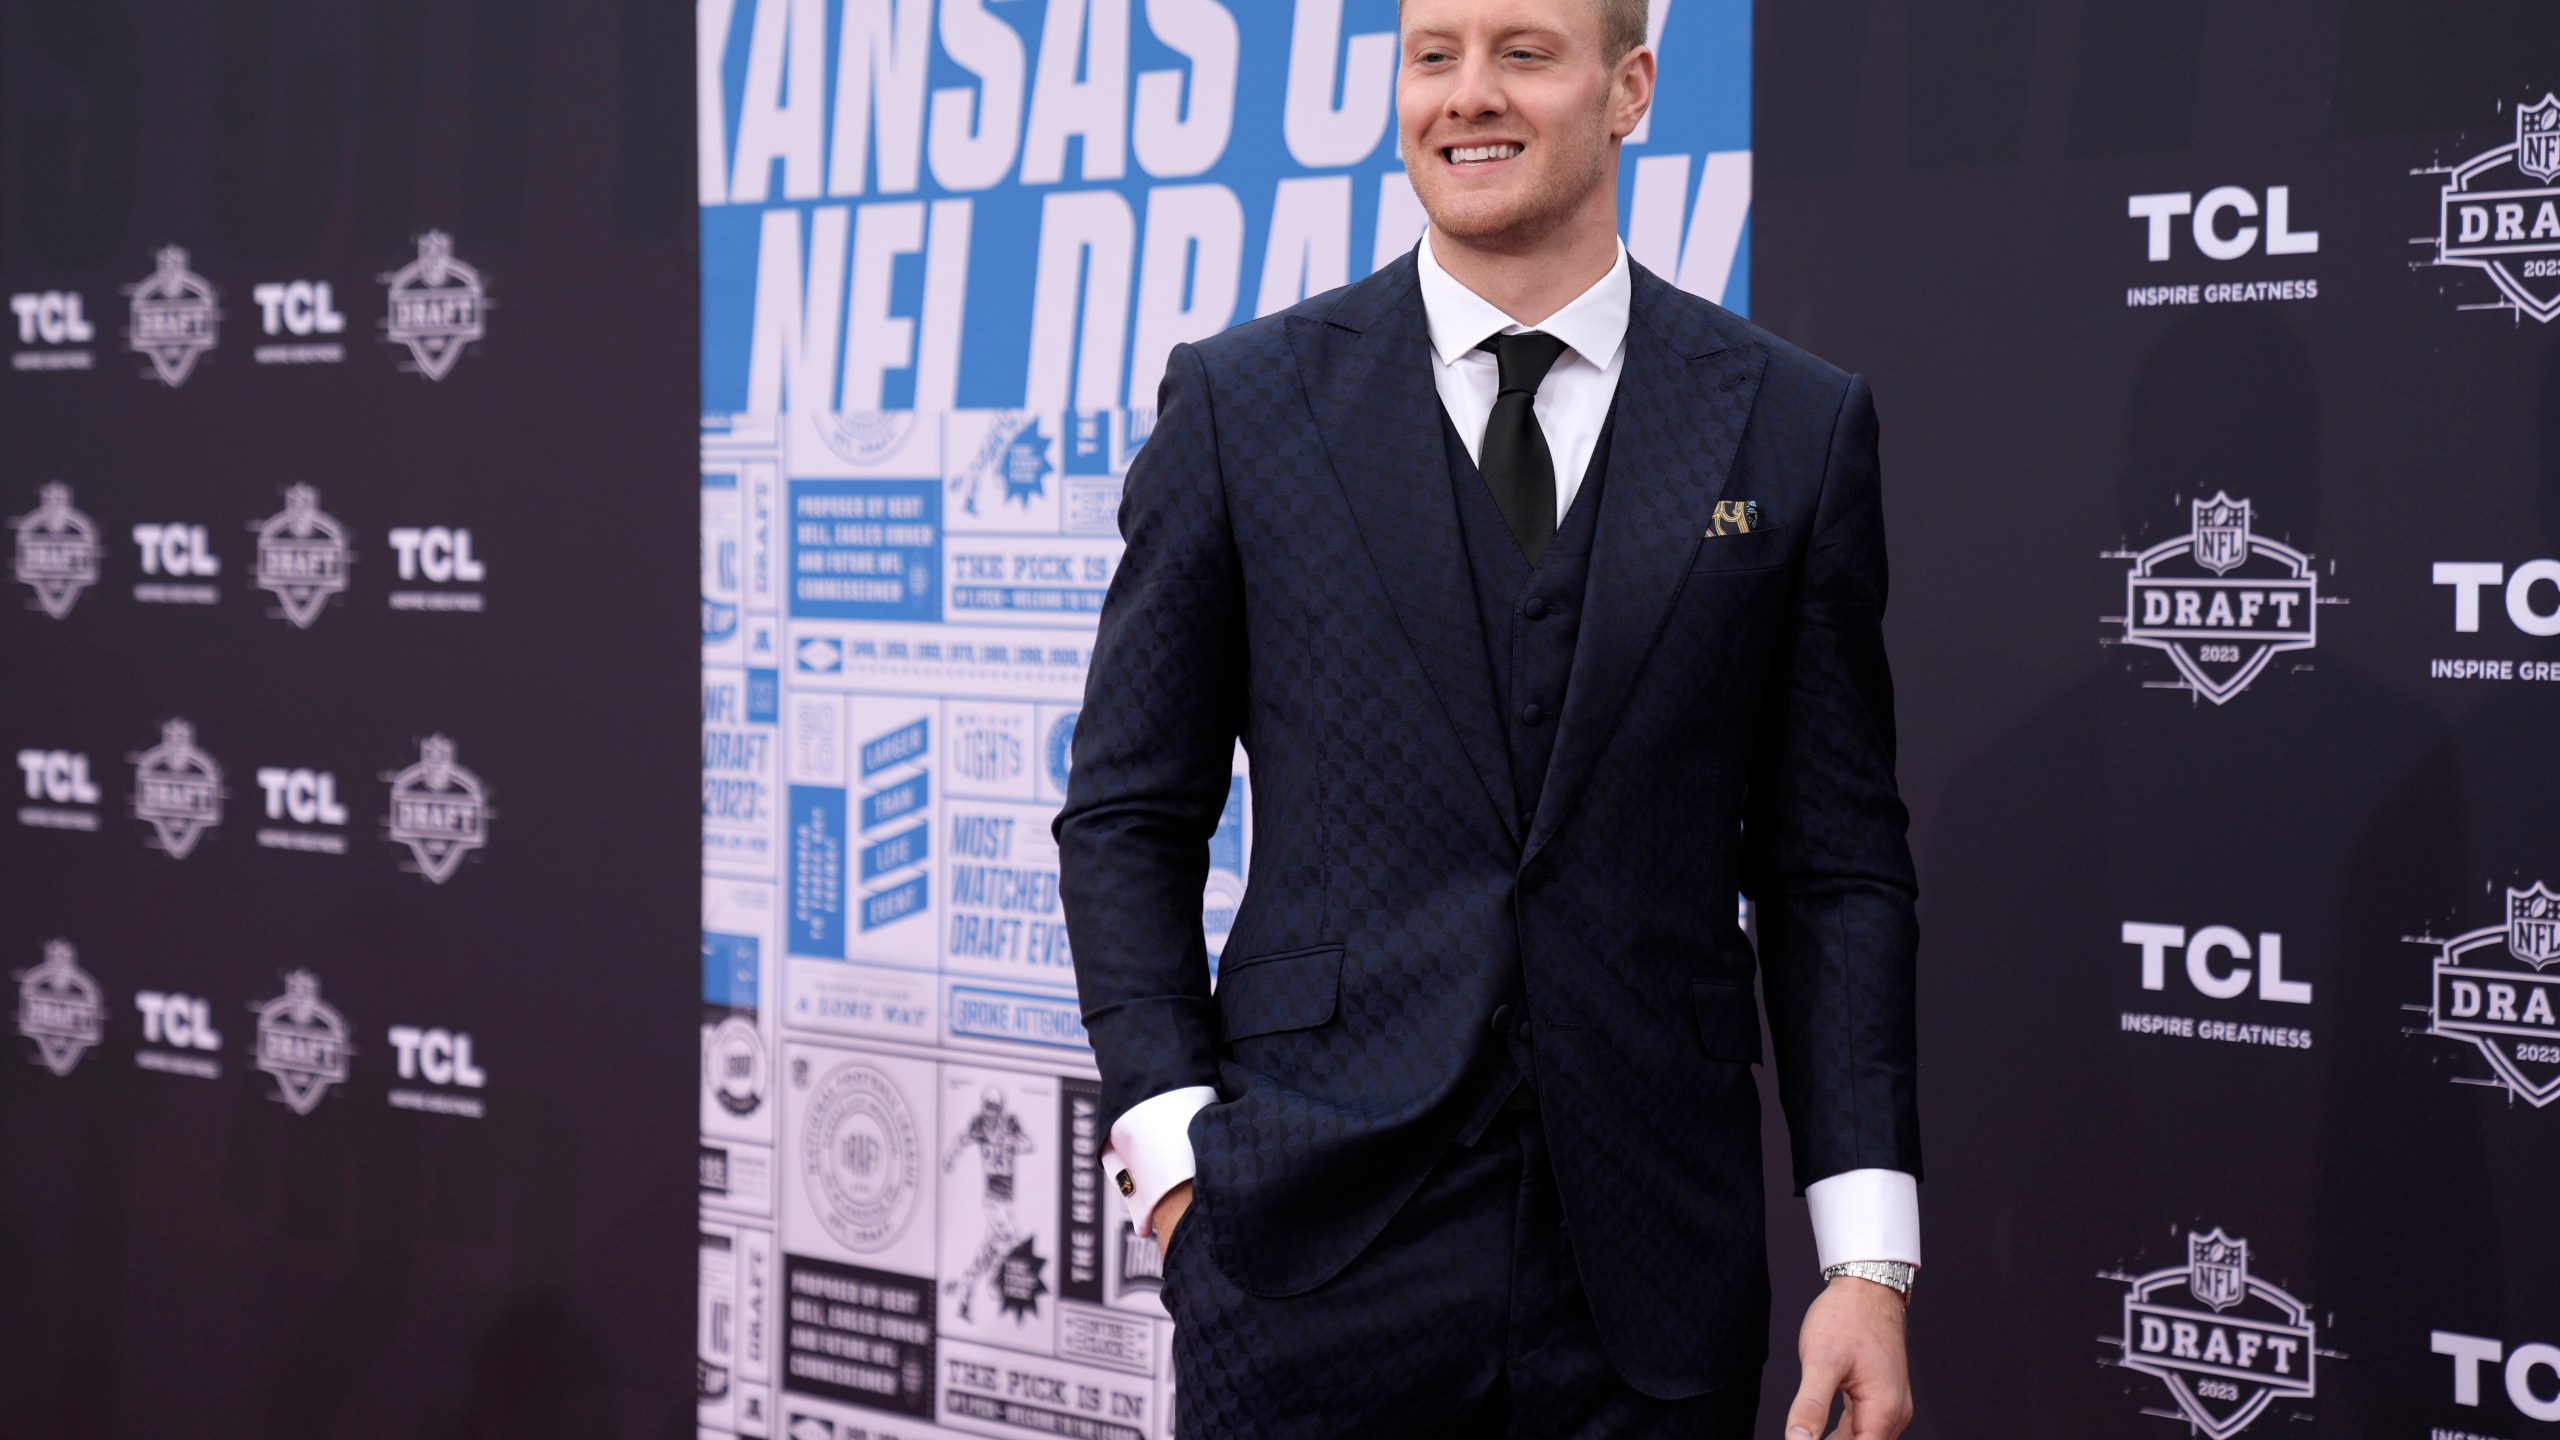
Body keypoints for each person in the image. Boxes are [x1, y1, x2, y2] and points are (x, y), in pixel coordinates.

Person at [1054, 1, 1921, 1434]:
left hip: (1654, 1269)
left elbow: (1836, 870)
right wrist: (1174, 1165)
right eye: (1432, 55)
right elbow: (1127, 813)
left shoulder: (1792, 423)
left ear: (1629, 89)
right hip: (1303, 1255)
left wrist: (1868, 1261)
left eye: (1525, 52)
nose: (1468, 96)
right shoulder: (1244, 403)